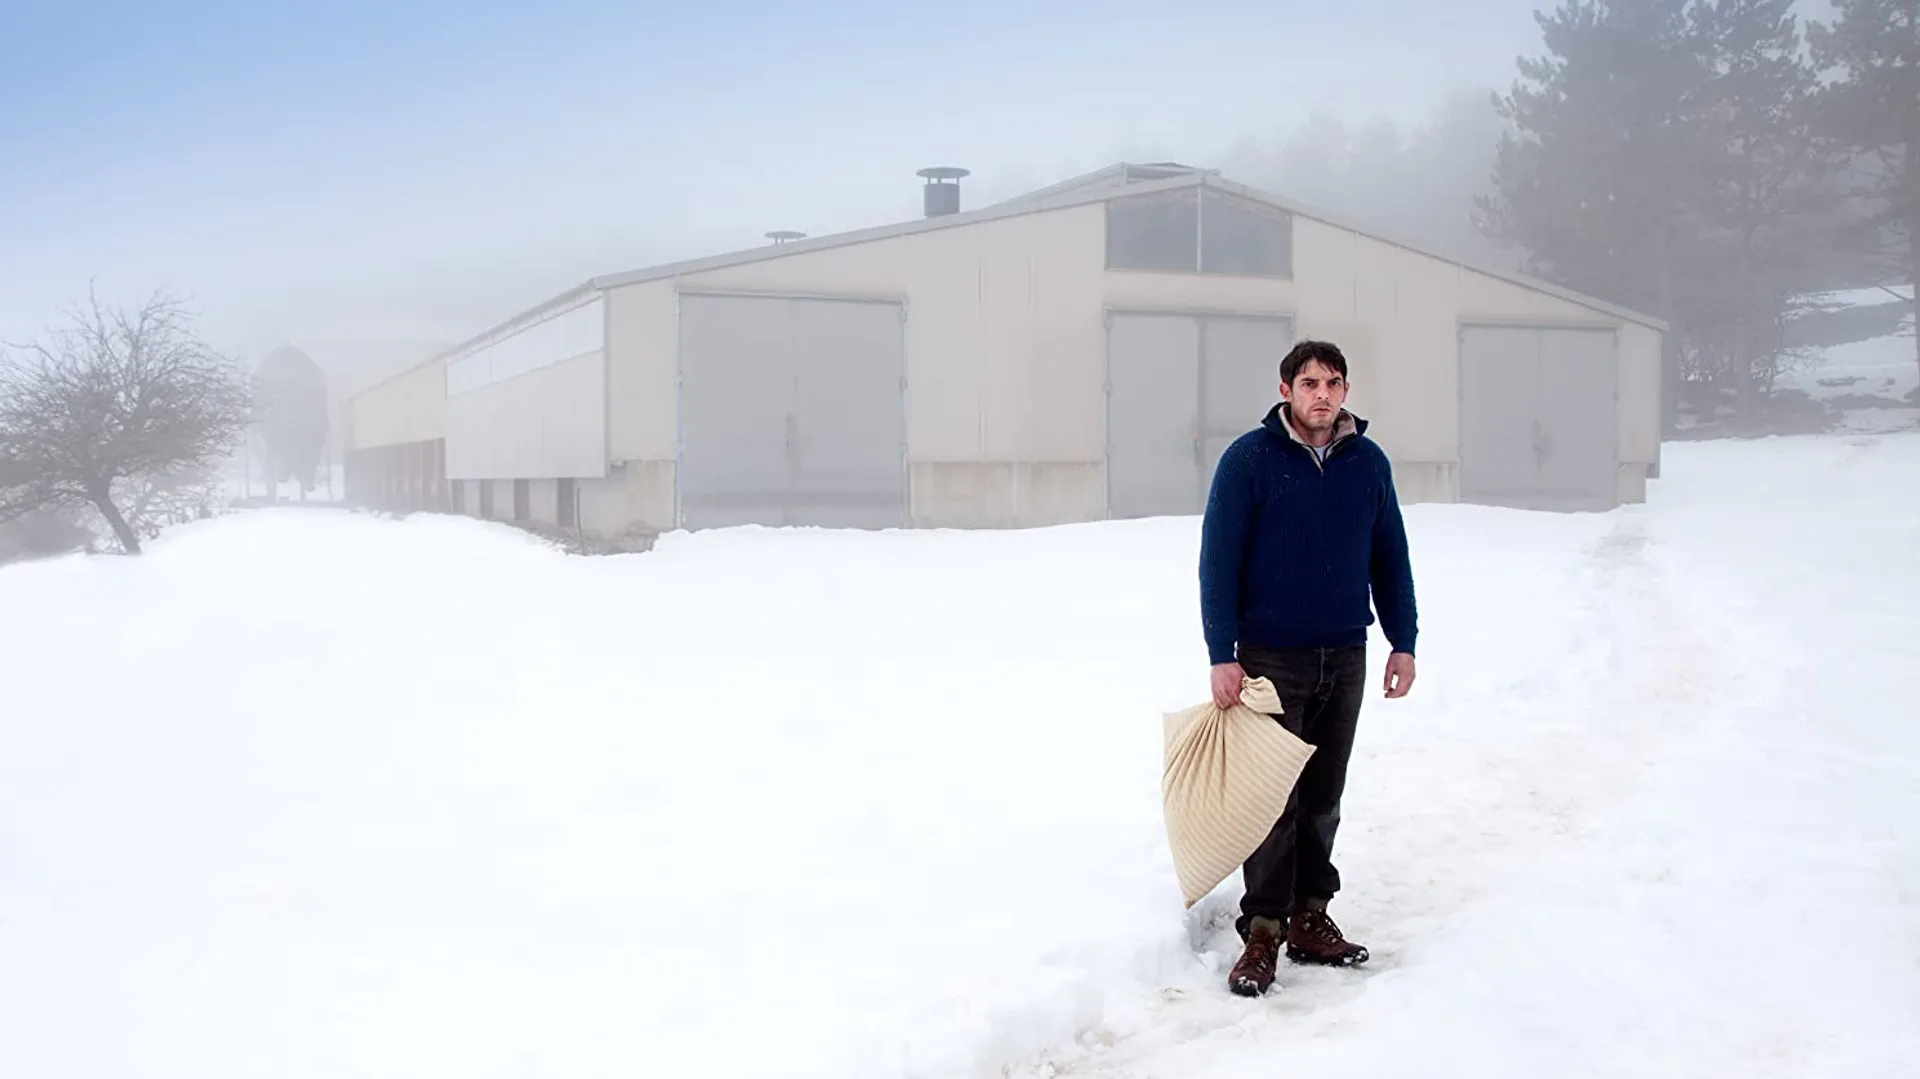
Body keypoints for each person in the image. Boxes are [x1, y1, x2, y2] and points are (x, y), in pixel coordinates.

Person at [1196, 338, 1418, 998]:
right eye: (1310, 382)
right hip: (1270, 658)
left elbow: (1390, 556)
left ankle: (1310, 916)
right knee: (1272, 800)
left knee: (1323, 795)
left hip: (1345, 654)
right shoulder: (1250, 460)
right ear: (1286, 389)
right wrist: (1221, 652)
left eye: (1333, 382)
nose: (1322, 393)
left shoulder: (1367, 463)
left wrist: (1402, 641)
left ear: (1345, 390)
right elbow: (1218, 560)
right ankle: (1263, 929)